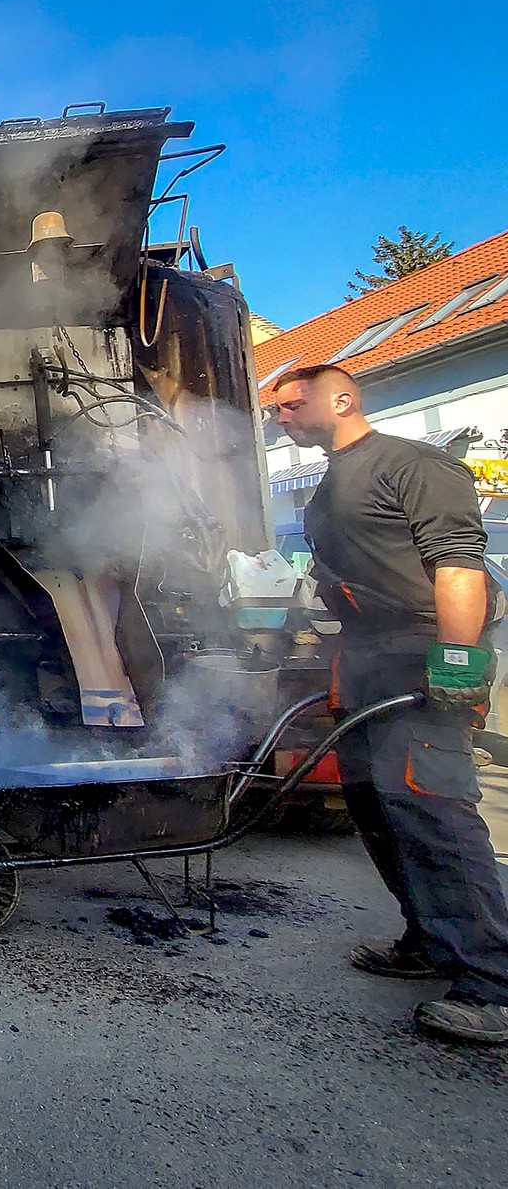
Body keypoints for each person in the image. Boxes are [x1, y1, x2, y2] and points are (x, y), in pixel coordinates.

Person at [274, 362, 508, 1044]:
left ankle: (494, 982)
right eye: (277, 409)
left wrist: (460, 665)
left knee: (434, 811)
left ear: (341, 399)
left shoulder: (414, 465)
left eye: (294, 403)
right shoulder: (329, 484)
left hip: (419, 654)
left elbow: (459, 566)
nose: (281, 417)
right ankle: (430, 939)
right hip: (365, 655)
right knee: (377, 805)